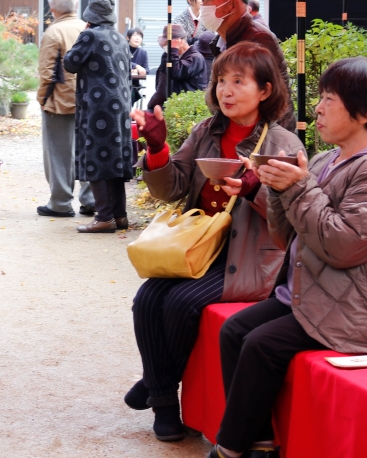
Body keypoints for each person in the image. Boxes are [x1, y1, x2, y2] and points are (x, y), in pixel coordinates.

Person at [207, 57, 367, 458]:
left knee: (260, 345)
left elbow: (342, 247)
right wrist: (276, 188)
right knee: (234, 331)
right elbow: (285, 238)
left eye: (329, 99)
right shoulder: (330, 160)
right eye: (321, 98)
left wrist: (297, 188)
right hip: (323, 291)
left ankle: (229, 450)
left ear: (363, 113)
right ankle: (259, 444)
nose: (319, 108)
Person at [127, 43, 305, 443]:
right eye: (221, 80)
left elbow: (293, 220)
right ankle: (160, 391)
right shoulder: (206, 132)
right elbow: (171, 188)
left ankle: (160, 396)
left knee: (180, 302)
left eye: (239, 82)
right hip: (199, 246)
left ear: (265, 90)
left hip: (251, 258)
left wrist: (253, 190)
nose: (226, 90)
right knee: (147, 299)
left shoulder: (283, 145)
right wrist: (156, 149)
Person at [63, 0, 133, 234]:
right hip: (121, 108)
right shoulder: (120, 38)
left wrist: (83, 34)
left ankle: (104, 218)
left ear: (90, 15)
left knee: (97, 158)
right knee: (114, 160)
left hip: (97, 107)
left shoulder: (89, 35)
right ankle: (120, 216)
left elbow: (70, 63)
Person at [187, 0, 294, 130]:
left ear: (231, 5)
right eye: (203, 1)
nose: (202, 7)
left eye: (209, 0)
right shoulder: (221, 40)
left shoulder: (257, 40)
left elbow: (276, 104)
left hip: (261, 142)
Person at [37, 0, 96, 218]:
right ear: (77, 6)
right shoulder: (88, 28)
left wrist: (42, 99)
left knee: (59, 153)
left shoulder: (54, 32)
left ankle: (60, 202)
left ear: (52, 9)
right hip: (89, 102)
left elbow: (46, 72)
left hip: (59, 102)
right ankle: (91, 200)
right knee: (87, 150)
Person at [147, 23, 209, 110]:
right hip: (169, 105)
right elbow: (162, 77)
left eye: (169, 43)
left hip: (186, 108)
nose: (166, 46)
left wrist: (173, 50)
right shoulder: (172, 55)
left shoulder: (195, 58)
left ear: (181, 41)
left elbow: (176, 72)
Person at [128, 28, 149, 106]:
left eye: (140, 36)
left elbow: (147, 70)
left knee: (132, 91)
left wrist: (137, 71)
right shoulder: (123, 49)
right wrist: (136, 66)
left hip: (134, 85)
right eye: (135, 35)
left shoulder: (143, 52)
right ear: (128, 37)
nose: (137, 38)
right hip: (122, 83)